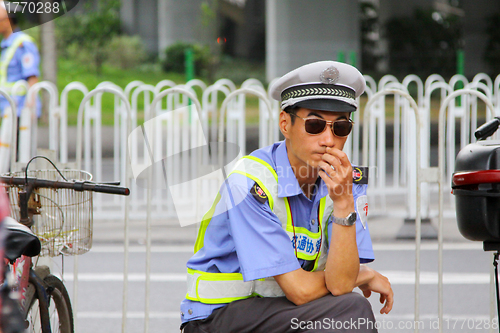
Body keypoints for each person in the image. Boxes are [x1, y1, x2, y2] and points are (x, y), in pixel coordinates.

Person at [180, 61, 394, 332]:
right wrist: (364, 275)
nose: (329, 139)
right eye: (315, 125)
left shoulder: (344, 185)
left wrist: (343, 204)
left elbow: (340, 285)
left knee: (351, 309)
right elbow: (300, 291)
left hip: (282, 310)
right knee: (352, 309)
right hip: (217, 318)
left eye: (340, 127)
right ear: (285, 123)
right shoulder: (250, 183)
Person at [0, 1, 40, 116]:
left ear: (8, 20)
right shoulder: (6, 45)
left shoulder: (23, 43)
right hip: (8, 109)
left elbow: (32, 77)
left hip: (21, 110)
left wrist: (30, 107)